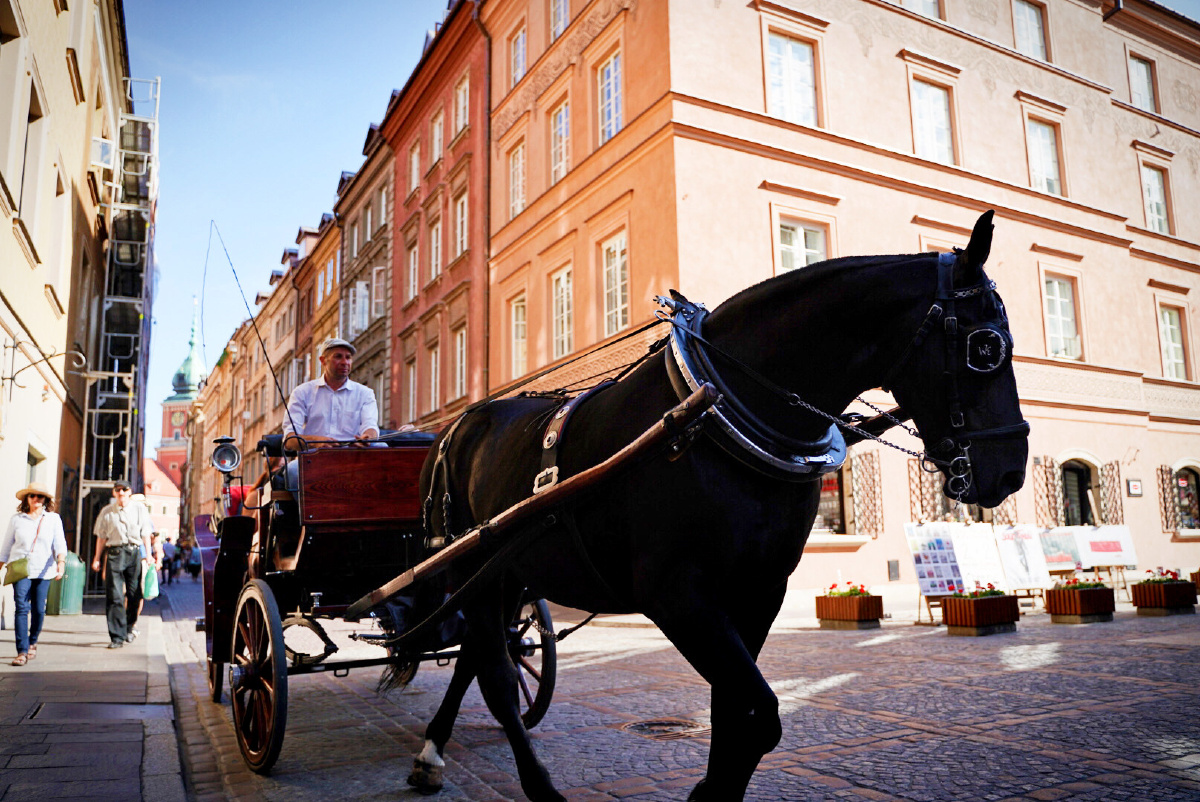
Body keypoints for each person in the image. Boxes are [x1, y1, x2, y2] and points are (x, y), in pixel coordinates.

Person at [280, 337, 379, 490]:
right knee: (293, 471)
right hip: (313, 459)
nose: (345, 362)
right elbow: (290, 439)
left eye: (348, 357)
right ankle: (306, 513)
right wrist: (315, 441)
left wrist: (368, 438)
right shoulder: (302, 392)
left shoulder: (365, 393)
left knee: (382, 448)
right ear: (323, 360)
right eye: (338, 356)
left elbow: (371, 426)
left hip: (353, 458)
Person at [0, 483, 68, 666]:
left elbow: (60, 544)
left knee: (38, 609)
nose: (36, 499)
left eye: (39, 496)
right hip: (20, 568)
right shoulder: (17, 519)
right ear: (26, 499)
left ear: (45, 500)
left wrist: (61, 563)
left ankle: (33, 640)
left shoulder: (53, 519)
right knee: (21, 607)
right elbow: (7, 545)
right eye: (32, 496)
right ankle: (21, 651)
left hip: (44, 570)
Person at [91, 480, 153, 649]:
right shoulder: (107, 512)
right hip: (114, 554)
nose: (121, 492)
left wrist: (149, 555)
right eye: (118, 490)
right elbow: (101, 537)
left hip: (133, 553)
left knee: (135, 594)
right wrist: (97, 558)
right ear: (114, 493)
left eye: (124, 489)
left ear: (129, 491)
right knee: (115, 596)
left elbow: (146, 533)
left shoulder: (139, 509)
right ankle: (117, 637)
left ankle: (128, 627)